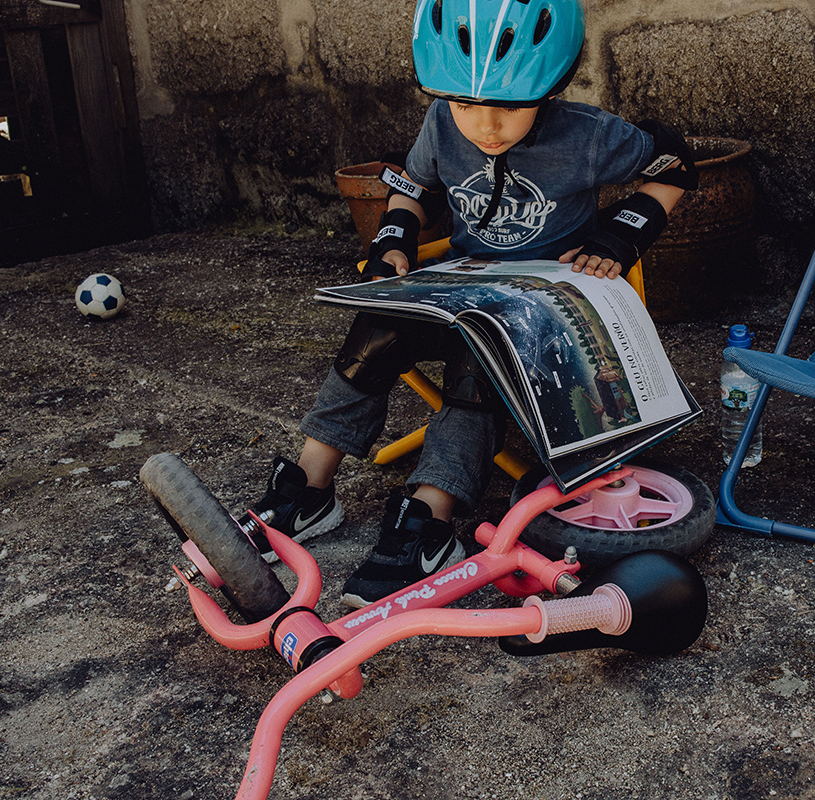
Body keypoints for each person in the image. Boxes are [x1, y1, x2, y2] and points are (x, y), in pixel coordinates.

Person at [241, 0, 698, 608]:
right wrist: (394, 237)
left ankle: (429, 518)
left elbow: (676, 164)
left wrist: (622, 233)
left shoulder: (587, 135)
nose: (486, 126)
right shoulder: (441, 123)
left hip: (542, 308)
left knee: (477, 360)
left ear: (548, 88)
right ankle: (309, 488)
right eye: (465, 105)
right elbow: (412, 184)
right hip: (461, 282)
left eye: (509, 107)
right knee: (377, 327)